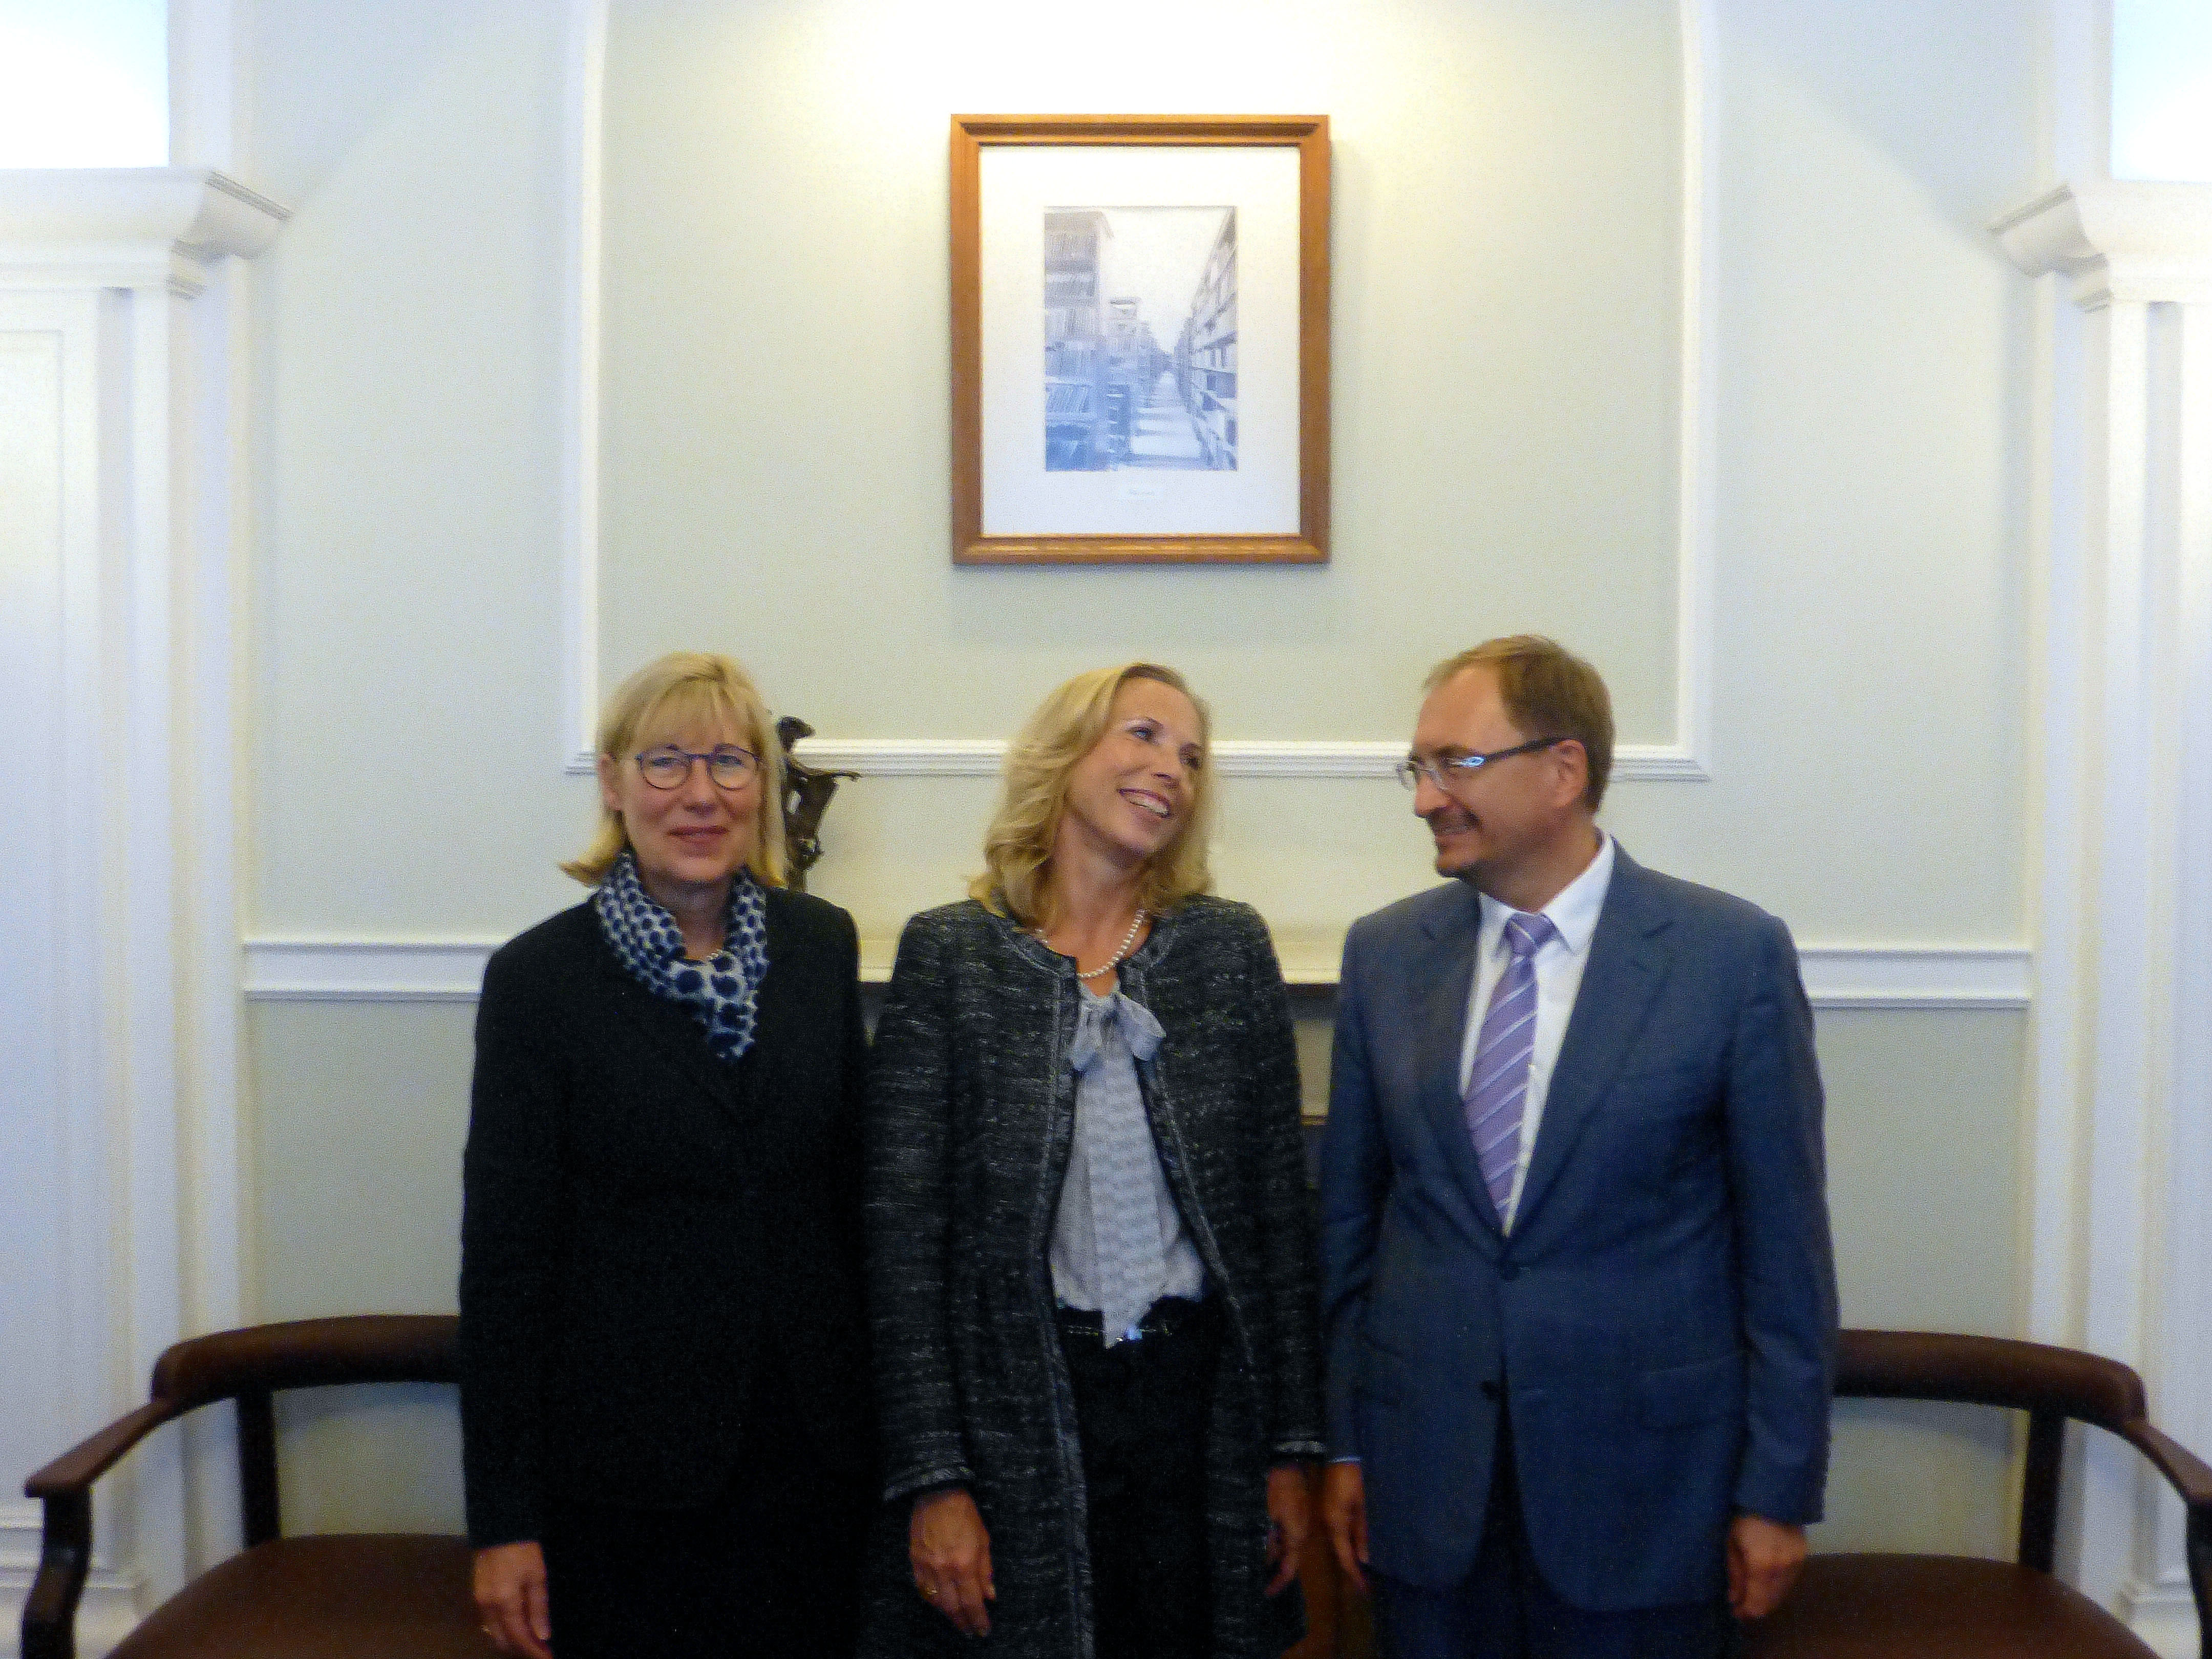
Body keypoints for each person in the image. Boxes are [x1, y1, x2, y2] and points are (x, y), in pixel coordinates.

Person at [1317, 636, 1837, 1659]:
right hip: (1426, 1490)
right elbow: (1351, 1224)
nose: (1425, 798)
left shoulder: (1728, 958)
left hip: (1646, 1497)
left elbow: (1786, 1255)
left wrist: (1778, 1491)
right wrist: (1344, 1441)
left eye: (1454, 764)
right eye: (1417, 769)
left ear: (1564, 770)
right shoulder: (1385, 955)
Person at [862, 663, 1324, 1659]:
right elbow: (903, 1246)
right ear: (1066, 753)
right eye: (1146, 737)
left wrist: (1290, 1452)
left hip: (1198, 1414)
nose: (1173, 770)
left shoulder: (1226, 949)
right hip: (1020, 1411)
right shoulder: (954, 958)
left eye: (1193, 757)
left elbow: (1280, 1216)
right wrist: (934, 1479)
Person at [460, 651, 875, 1659]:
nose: (701, 794)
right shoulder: (538, 983)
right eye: (667, 763)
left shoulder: (823, 947)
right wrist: (504, 1521)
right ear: (612, 783)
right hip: (622, 1483)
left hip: (814, 1463)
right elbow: (506, 1268)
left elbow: (856, 1207)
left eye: (730, 764)